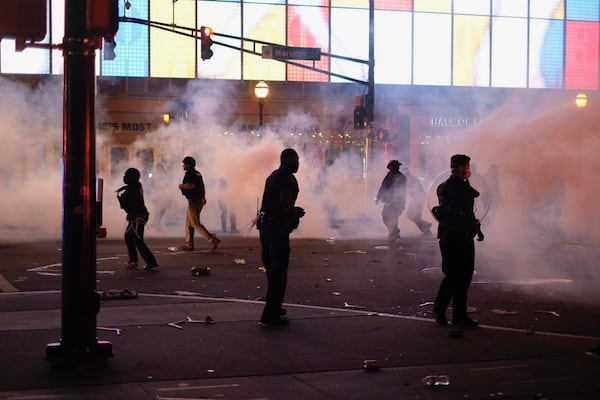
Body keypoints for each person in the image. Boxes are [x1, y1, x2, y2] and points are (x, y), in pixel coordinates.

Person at [431, 154, 484, 327]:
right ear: (460, 167)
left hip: (460, 234)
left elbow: (468, 212)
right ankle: (441, 311)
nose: (469, 170)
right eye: (467, 166)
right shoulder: (456, 186)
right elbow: (473, 195)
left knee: (462, 276)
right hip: (455, 235)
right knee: (456, 276)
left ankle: (458, 315)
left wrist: (477, 228)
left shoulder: (444, 186)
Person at [257, 148, 305, 327]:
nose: (298, 163)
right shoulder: (285, 178)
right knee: (278, 272)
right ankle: (270, 315)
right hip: (276, 229)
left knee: (272, 269)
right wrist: (294, 214)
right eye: (295, 160)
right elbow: (285, 203)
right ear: (285, 160)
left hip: (267, 227)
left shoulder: (274, 176)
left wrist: (293, 211)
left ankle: (274, 307)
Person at [116, 167, 159, 271]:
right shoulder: (136, 185)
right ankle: (133, 260)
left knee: (137, 240)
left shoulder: (132, 189)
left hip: (137, 217)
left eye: (126, 175)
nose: (124, 177)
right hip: (138, 216)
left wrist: (121, 200)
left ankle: (150, 262)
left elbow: (129, 204)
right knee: (129, 237)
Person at [178, 156, 220, 251]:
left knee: (195, 223)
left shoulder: (190, 173)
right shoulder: (198, 173)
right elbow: (202, 186)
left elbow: (191, 186)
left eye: (184, 164)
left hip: (194, 200)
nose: (183, 165)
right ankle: (189, 244)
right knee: (189, 223)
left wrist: (181, 186)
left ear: (188, 165)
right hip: (197, 200)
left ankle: (212, 239)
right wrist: (204, 197)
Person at [375, 160, 407, 241]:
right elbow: (383, 187)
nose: (390, 169)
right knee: (385, 216)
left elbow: (402, 191)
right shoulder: (389, 175)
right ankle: (394, 231)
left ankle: (393, 234)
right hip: (389, 200)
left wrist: (396, 199)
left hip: (397, 202)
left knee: (393, 217)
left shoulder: (401, 177)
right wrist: (378, 197)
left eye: (392, 167)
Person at [403, 167, 432, 236]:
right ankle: (426, 230)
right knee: (415, 216)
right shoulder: (411, 178)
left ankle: (425, 226)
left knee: (411, 215)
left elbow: (414, 189)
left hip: (418, 198)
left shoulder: (411, 179)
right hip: (418, 198)